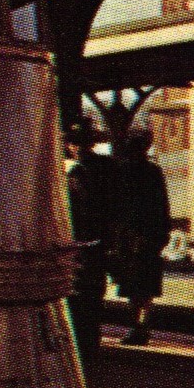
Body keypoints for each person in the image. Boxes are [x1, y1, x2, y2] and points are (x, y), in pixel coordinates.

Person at [112, 124, 173, 343]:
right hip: (148, 236)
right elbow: (163, 205)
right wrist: (161, 234)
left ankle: (137, 326)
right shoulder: (153, 171)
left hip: (133, 236)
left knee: (133, 286)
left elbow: (118, 206)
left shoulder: (123, 171)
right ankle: (141, 326)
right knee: (145, 287)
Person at [64, 117, 116, 359]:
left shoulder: (78, 171)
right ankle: (88, 339)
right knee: (88, 291)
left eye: (80, 142)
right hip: (89, 239)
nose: (77, 147)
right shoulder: (104, 167)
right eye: (76, 143)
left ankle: (86, 341)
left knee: (85, 291)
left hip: (87, 239)